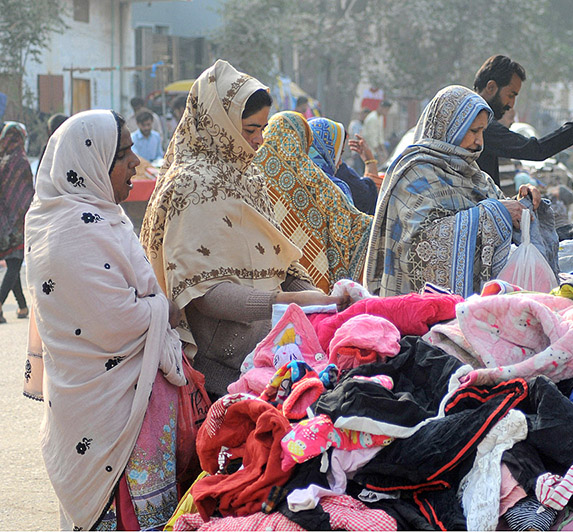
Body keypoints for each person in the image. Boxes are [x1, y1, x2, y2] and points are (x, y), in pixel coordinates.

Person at [140, 60, 346, 399]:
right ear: (219, 124)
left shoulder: (250, 177)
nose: (258, 140)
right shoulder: (188, 185)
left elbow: (281, 262)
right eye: (250, 130)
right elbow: (203, 293)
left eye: (262, 129)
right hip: (217, 365)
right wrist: (288, 302)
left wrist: (321, 302)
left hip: (269, 347)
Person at [24, 110, 187, 530]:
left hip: (124, 404)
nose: (135, 162)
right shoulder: (68, 233)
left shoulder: (104, 218)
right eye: (123, 153)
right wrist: (163, 307)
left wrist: (155, 303)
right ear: (91, 162)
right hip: (102, 408)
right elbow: (117, 320)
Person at [365, 85, 541, 298]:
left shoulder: (473, 174)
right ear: (449, 128)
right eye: (474, 131)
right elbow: (419, 247)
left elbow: (493, 207)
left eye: (482, 132)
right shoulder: (415, 174)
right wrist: (495, 213)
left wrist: (521, 203)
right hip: (420, 306)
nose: (479, 142)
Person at [251, 111, 373, 293]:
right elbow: (353, 226)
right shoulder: (319, 185)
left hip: (257, 282)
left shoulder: (248, 177)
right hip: (311, 288)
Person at [473, 54, 573, 185]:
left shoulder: (473, 118)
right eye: (510, 95)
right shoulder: (481, 125)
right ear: (491, 87)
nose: (511, 104)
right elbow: (538, 150)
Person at [0, 122, 34, 323]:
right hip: (18, 222)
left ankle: (22, 306)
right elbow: (27, 194)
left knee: (13, 262)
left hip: (3, 223)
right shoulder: (21, 161)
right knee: (15, 264)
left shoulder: (1, 161)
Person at [362, 99, 391, 164]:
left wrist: (384, 151)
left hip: (374, 152)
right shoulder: (372, 118)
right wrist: (379, 155)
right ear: (381, 108)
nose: (387, 112)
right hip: (368, 151)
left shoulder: (380, 118)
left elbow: (380, 136)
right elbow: (372, 138)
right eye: (386, 110)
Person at [347, 108, 370, 173]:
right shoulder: (354, 124)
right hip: (356, 152)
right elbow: (355, 136)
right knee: (358, 172)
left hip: (365, 153)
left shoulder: (367, 125)